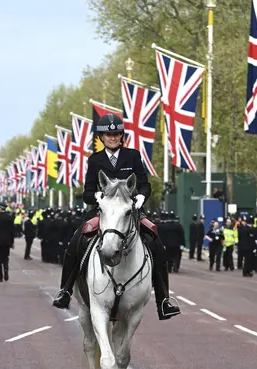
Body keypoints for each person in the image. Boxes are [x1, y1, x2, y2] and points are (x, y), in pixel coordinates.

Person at [51, 113, 180, 320]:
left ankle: (163, 300)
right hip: (102, 212)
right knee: (76, 241)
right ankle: (65, 290)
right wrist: (97, 196)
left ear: (122, 136)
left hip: (130, 211)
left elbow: (145, 183)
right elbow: (87, 192)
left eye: (116, 134)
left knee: (156, 241)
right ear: (101, 138)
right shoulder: (95, 160)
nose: (112, 138)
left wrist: (140, 197)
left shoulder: (133, 156)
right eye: (108, 135)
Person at [0, 202, 15, 282]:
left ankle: (0, 277)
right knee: (5, 258)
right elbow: (12, 231)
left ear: (0, 208)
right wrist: (12, 242)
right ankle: (6, 270)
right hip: (7, 241)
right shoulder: (10, 217)